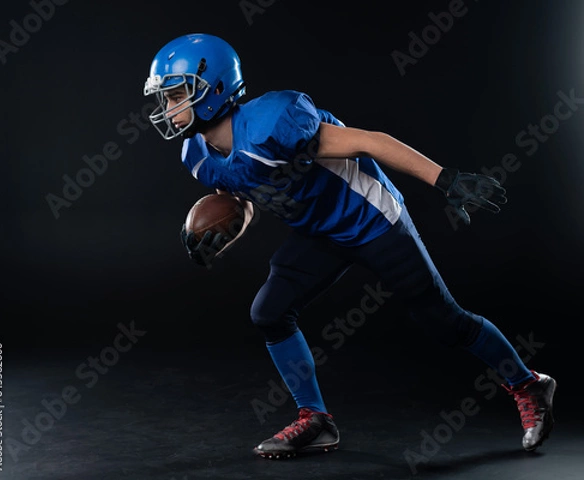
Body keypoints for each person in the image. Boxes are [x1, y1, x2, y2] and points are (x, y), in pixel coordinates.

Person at [142, 33, 557, 460]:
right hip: (318, 231)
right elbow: (246, 196)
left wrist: (444, 179)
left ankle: (528, 384)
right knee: (269, 312)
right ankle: (316, 420)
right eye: (166, 97)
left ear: (214, 90)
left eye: (176, 95)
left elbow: (369, 140)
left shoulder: (272, 122)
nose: (168, 109)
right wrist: (226, 234)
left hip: (370, 219)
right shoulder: (197, 154)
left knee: (445, 322)